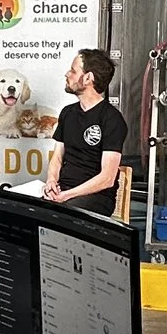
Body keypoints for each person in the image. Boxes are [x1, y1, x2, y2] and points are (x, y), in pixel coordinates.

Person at [43, 48, 129, 215]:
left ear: (88, 78)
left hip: (96, 197)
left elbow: (107, 178)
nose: (67, 74)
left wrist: (66, 196)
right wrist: (51, 181)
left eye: (73, 71)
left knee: (61, 213)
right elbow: (57, 157)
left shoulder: (112, 119)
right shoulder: (67, 113)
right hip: (64, 191)